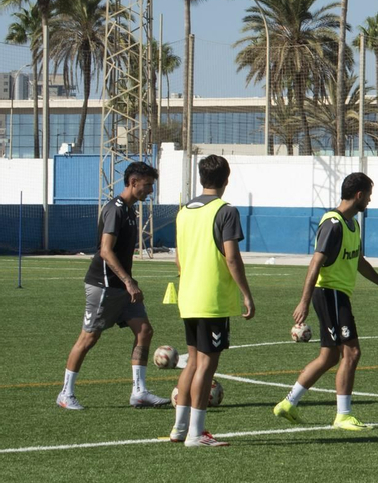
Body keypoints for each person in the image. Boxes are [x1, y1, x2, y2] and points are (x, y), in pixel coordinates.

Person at [273, 172, 378, 431]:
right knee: (352, 352)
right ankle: (343, 415)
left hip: (337, 295)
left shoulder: (353, 225)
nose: (370, 200)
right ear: (359, 195)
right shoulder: (334, 223)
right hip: (331, 294)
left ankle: (288, 403)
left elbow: (358, 261)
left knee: (329, 356)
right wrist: (303, 302)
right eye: (369, 195)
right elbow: (316, 261)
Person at [57, 160, 167, 411]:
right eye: (148, 185)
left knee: (144, 331)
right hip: (104, 286)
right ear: (133, 183)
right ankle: (65, 394)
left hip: (123, 286)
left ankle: (139, 392)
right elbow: (105, 251)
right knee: (89, 337)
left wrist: (129, 281)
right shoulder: (115, 210)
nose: (150, 191)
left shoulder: (130, 211)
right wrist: (128, 281)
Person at [172, 154, 255, 448]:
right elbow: (231, 256)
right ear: (226, 179)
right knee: (207, 365)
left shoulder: (184, 212)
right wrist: (246, 293)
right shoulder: (225, 211)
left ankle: (179, 428)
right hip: (212, 299)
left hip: (188, 296)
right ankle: (196, 433)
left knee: (192, 362)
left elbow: (179, 259)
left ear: (200, 177)